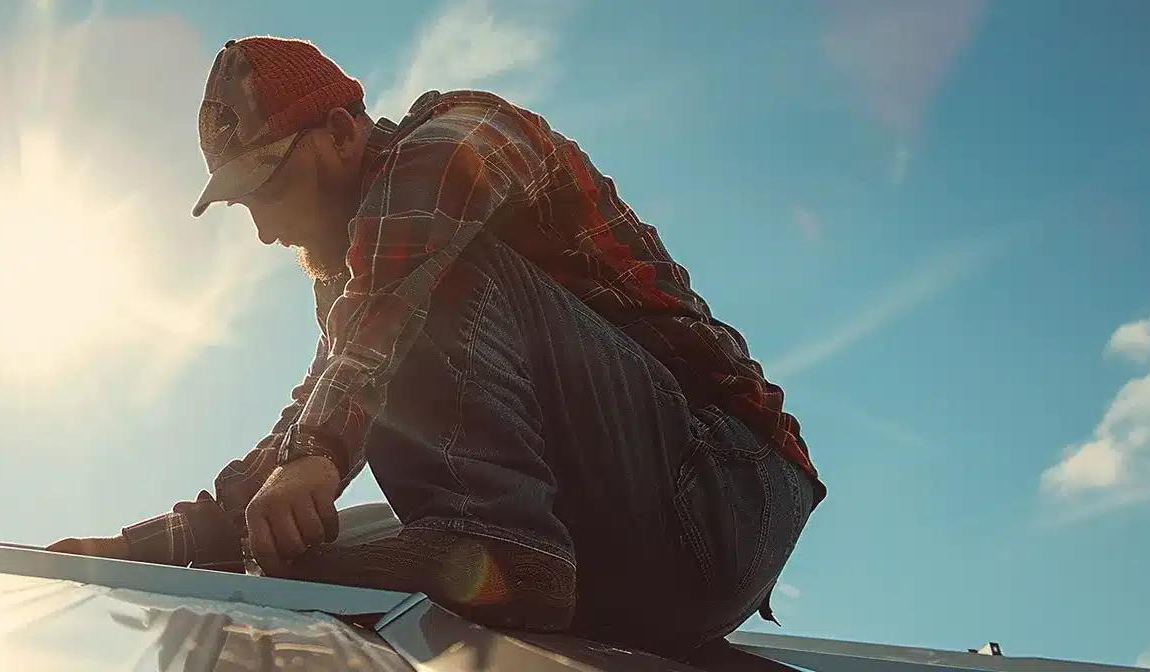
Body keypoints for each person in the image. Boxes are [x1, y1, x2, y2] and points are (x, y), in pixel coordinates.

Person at [49, 35, 824, 656]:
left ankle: (502, 547)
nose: (264, 230)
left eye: (270, 187)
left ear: (344, 132)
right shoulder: (369, 302)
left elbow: (407, 259)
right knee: (275, 533)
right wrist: (130, 548)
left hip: (724, 493)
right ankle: (495, 551)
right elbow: (299, 431)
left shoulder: (455, 138)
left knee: (419, 267)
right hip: (623, 564)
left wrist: (320, 448)